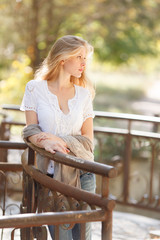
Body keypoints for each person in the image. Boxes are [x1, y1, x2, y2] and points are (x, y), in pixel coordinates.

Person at [20, 35, 96, 240]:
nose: (83, 63)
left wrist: (57, 141)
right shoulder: (34, 89)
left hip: (84, 174)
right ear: (63, 58)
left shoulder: (84, 95)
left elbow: (88, 142)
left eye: (85, 58)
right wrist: (43, 139)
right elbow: (30, 132)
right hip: (51, 178)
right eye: (79, 57)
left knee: (83, 238)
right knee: (62, 238)